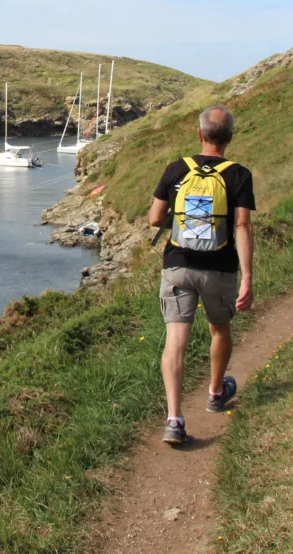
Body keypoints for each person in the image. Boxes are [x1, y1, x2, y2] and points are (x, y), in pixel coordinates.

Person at [149, 105, 255, 445]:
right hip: (219, 270)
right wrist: (248, 277)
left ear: (200, 134)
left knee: (175, 340)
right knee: (219, 329)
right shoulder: (239, 174)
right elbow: (241, 225)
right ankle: (214, 392)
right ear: (230, 138)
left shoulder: (177, 168)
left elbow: (154, 218)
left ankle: (174, 419)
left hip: (178, 267)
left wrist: (184, 220)